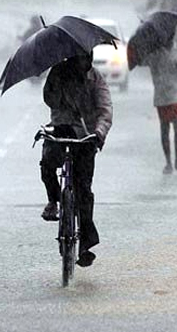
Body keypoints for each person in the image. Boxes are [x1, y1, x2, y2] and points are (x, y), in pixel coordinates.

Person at [40, 53, 113, 267]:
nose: (82, 62)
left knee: (84, 190)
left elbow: (105, 109)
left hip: (87, 136)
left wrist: (99, 132)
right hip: (61, 130)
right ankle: (53, 201)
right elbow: (49, 99)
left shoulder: (95, 79)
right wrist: (59, 83)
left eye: (85, 58)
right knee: (47, 163)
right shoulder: (58, 72)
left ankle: (85, 245)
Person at [143, 34, 177, 174]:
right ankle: (168, 162)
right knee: (165, 128)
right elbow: (145, 63)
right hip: (161, 95)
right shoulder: (154, 52)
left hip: (175, 94)